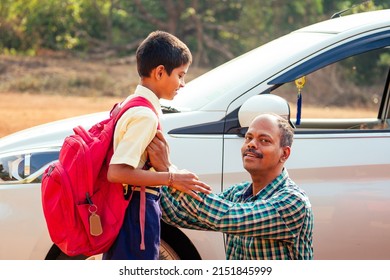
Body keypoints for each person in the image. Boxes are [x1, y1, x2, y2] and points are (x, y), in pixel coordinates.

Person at [103, 30, 211, 260]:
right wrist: (171, 179)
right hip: (136, 214)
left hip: (129, 211)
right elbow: (117, 171)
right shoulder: (145, 115)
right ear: (160, 72)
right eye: (180, 75)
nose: (182, 84)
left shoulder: (132, 104)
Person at [147, 113, 314, 260]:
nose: (252, 144)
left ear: (284, 154)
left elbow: (229, 217)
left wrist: (168, 171)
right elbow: (180, 215)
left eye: (264, 140)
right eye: (249, 138)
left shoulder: (293, 202)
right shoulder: (238, 193)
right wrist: (152, 173)